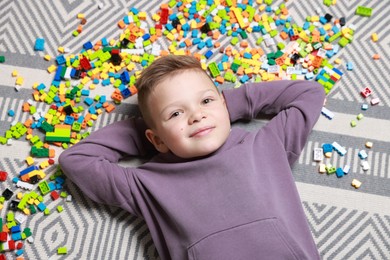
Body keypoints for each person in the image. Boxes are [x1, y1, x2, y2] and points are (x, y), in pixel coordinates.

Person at [59, 55, 325, 260]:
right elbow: (77, 159)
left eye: (206, 101)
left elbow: (309, 93)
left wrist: (225, 105)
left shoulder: (267, 143)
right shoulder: (145, 184)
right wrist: (150, 133)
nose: (196, 116)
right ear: (157, 139)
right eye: (176, 114)